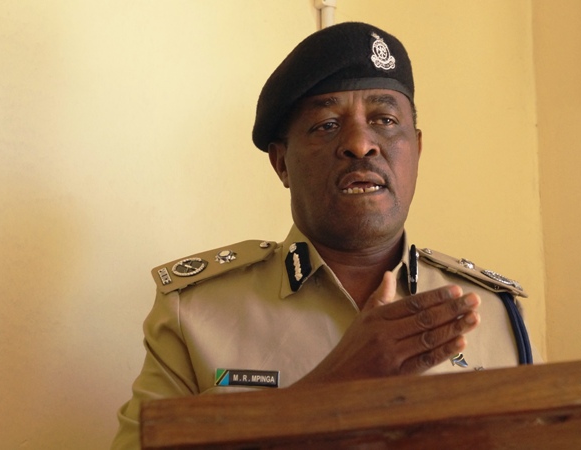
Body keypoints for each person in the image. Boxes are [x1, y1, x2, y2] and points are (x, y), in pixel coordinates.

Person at [111, 21, 534, 449]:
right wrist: (330, 389)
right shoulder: (194, 313)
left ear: (417, 150)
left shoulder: (493, 313)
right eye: (326, 125)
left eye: (385, 120)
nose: (360, 144)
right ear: (281, 164)